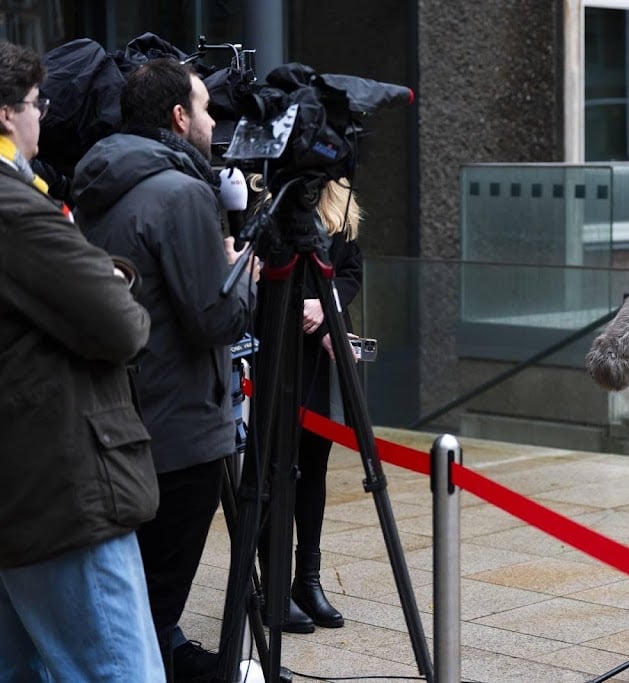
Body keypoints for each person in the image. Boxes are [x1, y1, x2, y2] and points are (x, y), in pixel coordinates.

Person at [72, 58, 259, 682]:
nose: (213, 121)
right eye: (205, 109)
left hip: (124, 415)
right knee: (153, 603)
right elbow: (211, 317)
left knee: (134, 600)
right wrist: (244, 275)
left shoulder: (101, 181)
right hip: (180, 430)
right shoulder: (180, 191)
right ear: (179, 118)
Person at [0, 41, 164, 681]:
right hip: (61, 487)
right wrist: (117, 275)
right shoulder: (14, 206)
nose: (44, 118)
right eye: (37, 105)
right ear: (7, 115)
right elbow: (122, 325)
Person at [253, 176, 363, 633]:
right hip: (282, 348)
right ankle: (271, 588)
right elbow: (273, 281)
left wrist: (327, 307)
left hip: (326, 349)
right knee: (277, 469)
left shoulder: (343, 200)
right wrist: (314, 313)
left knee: (314, 468)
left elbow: (352, 272)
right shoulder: (272, 196)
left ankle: (308, 581)